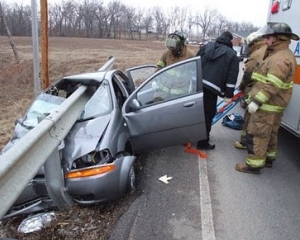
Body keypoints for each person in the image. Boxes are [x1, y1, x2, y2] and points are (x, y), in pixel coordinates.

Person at [235, 22, 299, 174]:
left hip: (267, 104)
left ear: (277, 38)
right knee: (271, 133)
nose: (266, 40)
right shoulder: (280, 54)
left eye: (269, 37)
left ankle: (254, 165)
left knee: (258, 134)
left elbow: (272, 85)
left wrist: (256, 101)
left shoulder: (279, 59)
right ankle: (269, 159)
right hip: (275, 105)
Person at [196, 31, 240, 150]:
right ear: (230, 40)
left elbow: (195, 62)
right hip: (212, 90)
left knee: (194, 113)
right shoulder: (232, 55)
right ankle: (203, 142)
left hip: (197, 85)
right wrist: (228, 95)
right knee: (207, 115)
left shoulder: (206, 47)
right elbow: (232, 77)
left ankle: (190, 137)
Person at [234, 32, 267, 150]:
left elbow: (248, 74)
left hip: (255, 90)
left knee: (249, 118)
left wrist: (242, 86)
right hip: (266, 93)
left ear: (253, 43)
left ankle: (244, 142)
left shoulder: (256, 54)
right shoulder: (268, 50)